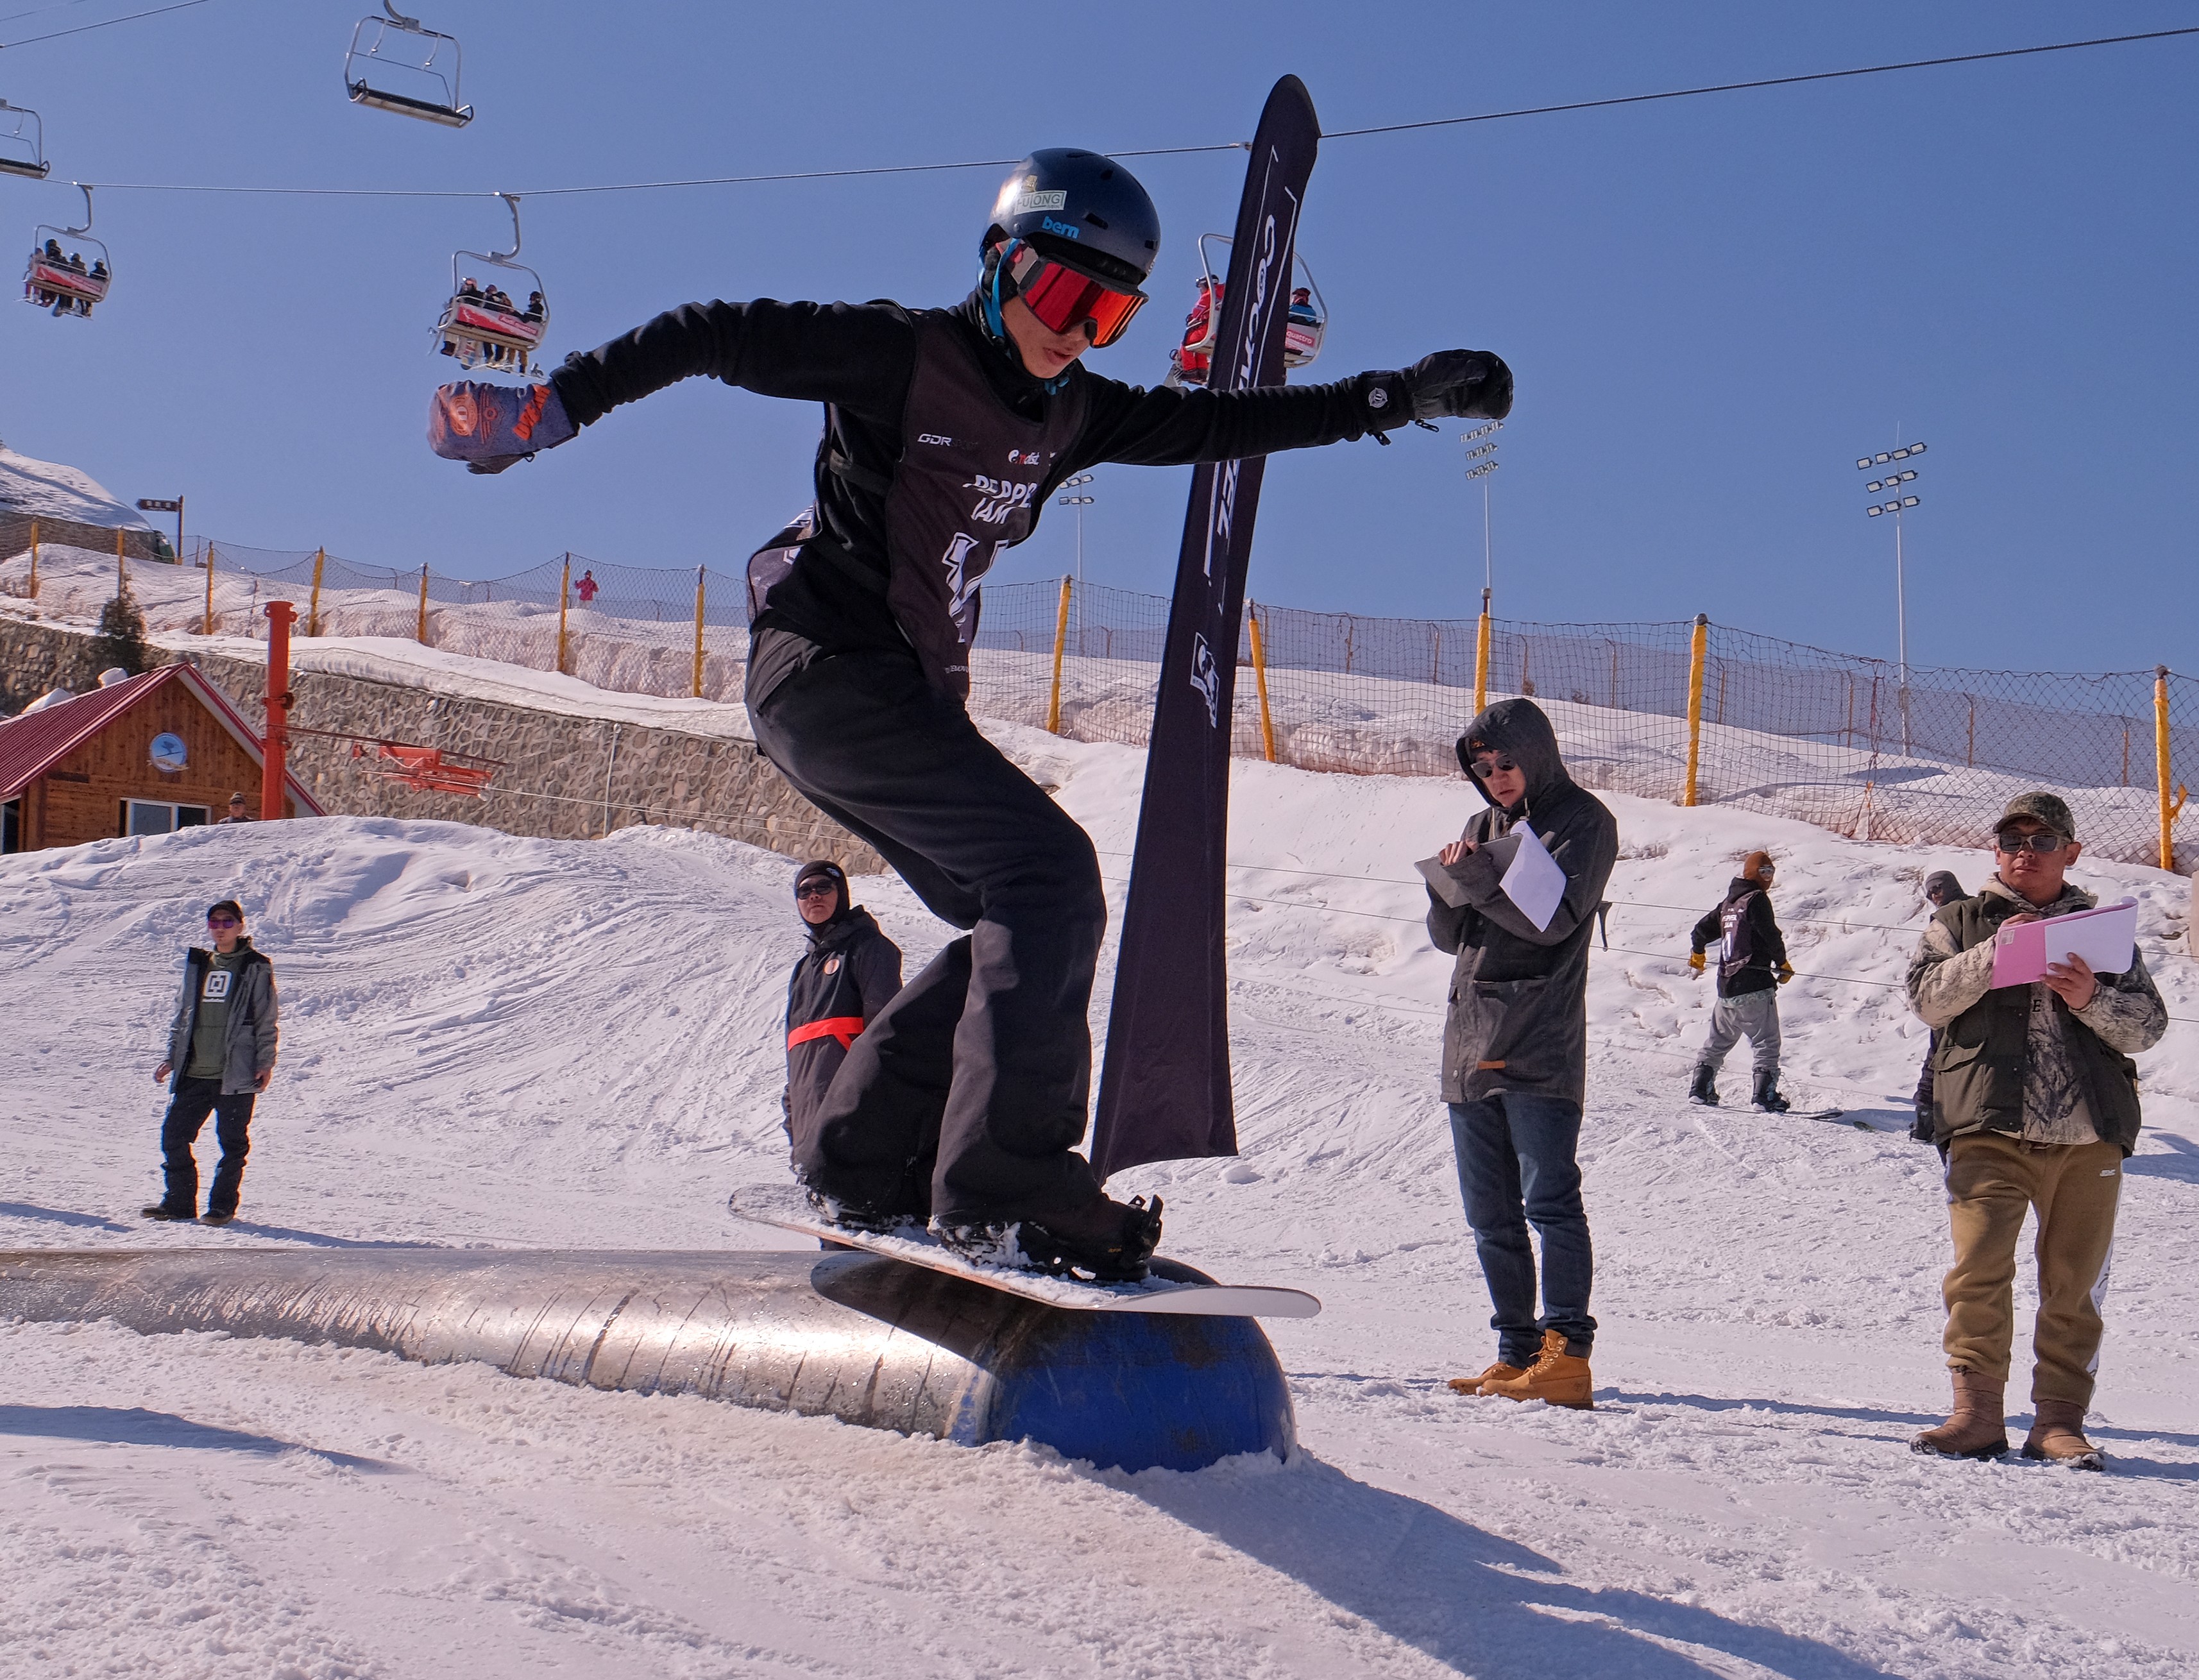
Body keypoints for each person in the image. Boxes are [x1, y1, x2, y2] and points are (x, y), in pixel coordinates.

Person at [428, 146, 1511, 1279]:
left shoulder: (1073, 411)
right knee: (1049, 879)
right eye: (1057, 294)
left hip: (890, 701)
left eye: (1109, 313)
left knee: (1016, 916)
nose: (1074, 330)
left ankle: (863, 1154)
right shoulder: (902, 355)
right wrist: (554, 407)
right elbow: (713, 329)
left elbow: (1220, 426)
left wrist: (1399, 396)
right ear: (1000, 263)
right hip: (833, 669)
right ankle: (1007, 1182)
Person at [1905, 793, 2167, 1470]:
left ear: (2071, 853)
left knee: (2073, 1287)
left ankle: (2058, 1422)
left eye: (2043, 840)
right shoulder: (1960, 922)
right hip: (1987, 1124)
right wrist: (1994, 955)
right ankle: (1976, 1414)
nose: (2026, 850)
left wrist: (2093, 999)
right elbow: (1926, 1000)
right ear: (1995, 851)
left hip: (2088, 1136)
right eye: (2012, 839)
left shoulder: (2104, 930)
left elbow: (2149, 1027)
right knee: (1979, 1272)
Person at [1427, 699, 1618, 1410]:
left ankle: (1566, 1352)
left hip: (1538, 1042)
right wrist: (1445, 888)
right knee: (1490, 1214)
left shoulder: (1583, 821)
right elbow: (1452, 938)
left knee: (1550, 1202)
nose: (1496, 777)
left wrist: (1477, 880)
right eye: (1483, 768)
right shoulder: (1483, 827)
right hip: (1469, 1038)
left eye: (1506, 763)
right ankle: (1515, 1352)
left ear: (1536, 755)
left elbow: (1555, 919)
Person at [144, 899, 277, 1226]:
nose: (220, 928)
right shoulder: (199, 964)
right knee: (174, 1136)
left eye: (227, 922)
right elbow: (183, 1016)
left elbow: (266, 1018)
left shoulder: (255, 966)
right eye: (214, 922)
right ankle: (179, 1203)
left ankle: (221, 1208)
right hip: (196, 1071)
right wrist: (172, 1057)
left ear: (241, 926)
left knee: (232, 1145)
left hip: (236, 1073)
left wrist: (265, 1062)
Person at [783, 859, 904, 1180]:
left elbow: (887, 1037)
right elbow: (800, 1052)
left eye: (824, 887)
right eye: (804, 890)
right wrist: (793, 1117)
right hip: (811, 1129)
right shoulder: (803, 970)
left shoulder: (869, 949)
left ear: (843, 895)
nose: (814, 896)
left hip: (854, 1121)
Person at [1686, 851, 1793, 1111]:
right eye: (1764, 872)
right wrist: (1782, 963)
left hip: (1727, 986)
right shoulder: (1756, 900)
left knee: (1718, 1040)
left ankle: (1701, 1089)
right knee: (1766, 1042)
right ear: (1752, 874)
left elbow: (1700, 929)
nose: (1768, 878)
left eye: (1771, 872)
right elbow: (1770, 935)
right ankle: (1764, 1096)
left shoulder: (1729, 904)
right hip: (1755, 984)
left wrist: (1698, 951)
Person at [1908, 870, 1969, 1151]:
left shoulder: (1958, 917)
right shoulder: (1964, 912)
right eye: (1930, 891)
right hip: (1951, 1001)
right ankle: (1929, 1121)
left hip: (1957, 1002)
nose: (1935, 895)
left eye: (1939, 889)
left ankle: (1927, 1123)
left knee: (1939, 1060)